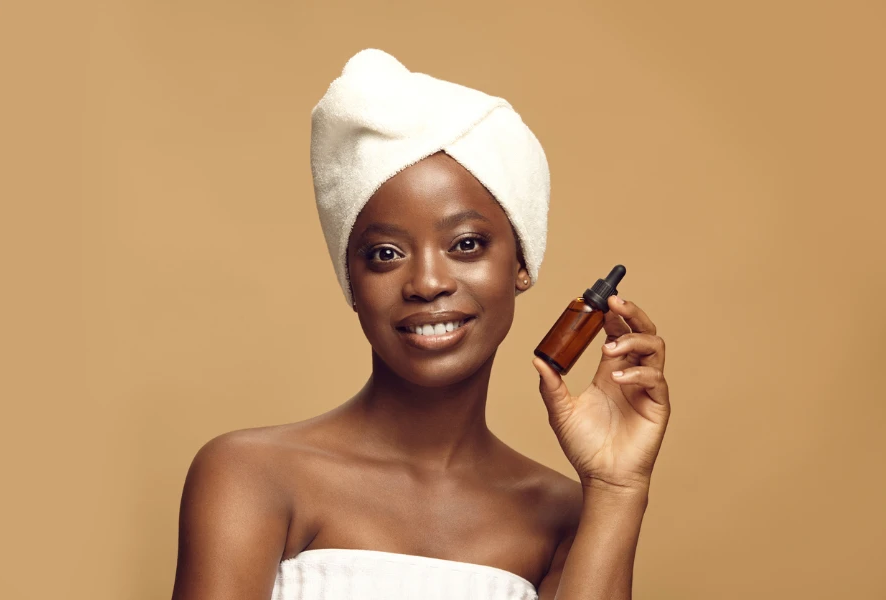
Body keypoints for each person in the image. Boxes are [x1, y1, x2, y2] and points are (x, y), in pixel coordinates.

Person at [171, 49, 670, 600]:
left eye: (466, 244)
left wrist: (617, 489)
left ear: (522, 263)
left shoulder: (563, 517)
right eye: (384, 253)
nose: (427, 282)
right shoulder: (250, 475)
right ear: (351, 281)